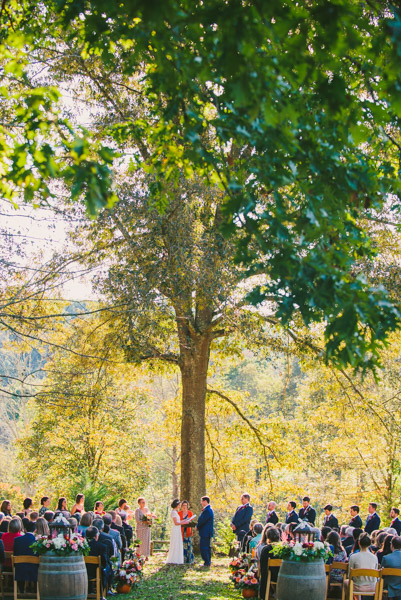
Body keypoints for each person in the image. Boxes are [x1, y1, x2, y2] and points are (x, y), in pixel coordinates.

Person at [86, 526, 112, 593]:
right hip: (96, 572)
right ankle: (105, 590)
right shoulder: (102, 547)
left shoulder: (82, 546)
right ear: (96, 536)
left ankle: (90, 590)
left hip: (84, 570)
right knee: (108, 568)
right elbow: (104, 561)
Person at [13, 520, 38, 591]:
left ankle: (21, 591)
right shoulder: (37, 541)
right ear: (35, 530)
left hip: (20, 568)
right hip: (34, 569)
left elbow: (15, 553)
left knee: (20, 567)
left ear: (25, 530)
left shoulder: (17, 540)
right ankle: (35, 590)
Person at [258, 528, 281, 600]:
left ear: (267, 537)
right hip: (283, 575)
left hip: (271, 576)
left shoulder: (266, 550)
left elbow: (263, 569)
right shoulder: (284, 548)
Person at [166, 499, 190, 565]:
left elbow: (179, 521)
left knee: (178, 542)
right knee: (175, 543)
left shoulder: (175, 512)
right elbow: (176, 523)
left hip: (178, 529)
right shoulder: (173, 512)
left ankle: (178, 558)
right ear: (176, 505)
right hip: (175, 529)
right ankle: (174, 558)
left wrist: (185, 520)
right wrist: (185, 522)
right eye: (179, 505)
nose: (180, 506)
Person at [196, 496, 214, 568]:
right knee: (207, 547)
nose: (201, 503)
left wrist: (197, 526)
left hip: (205, 532)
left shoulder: (207, 510)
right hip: (206, 532)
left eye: (202, 501)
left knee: (204, 547)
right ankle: (207, 561)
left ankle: (206, 562)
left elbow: (203, 520)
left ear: (205, 501)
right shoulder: (208, 509)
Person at [178, 500, 194, 564]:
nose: (185, 507)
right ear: (181, 506)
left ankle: (189, 559)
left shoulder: (190, 513)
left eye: (186, 505)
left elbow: (191, 521)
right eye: (183, 505)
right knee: (182, 545)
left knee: (189, 545)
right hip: (181, 531)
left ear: (188, 506)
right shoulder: (179, 513)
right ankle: (183, 559)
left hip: (188, 531)